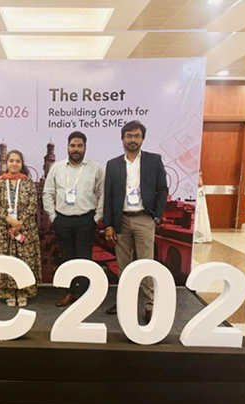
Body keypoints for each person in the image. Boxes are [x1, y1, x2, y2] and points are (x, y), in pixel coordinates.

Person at [103, 120, 168, 318]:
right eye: (129, 136)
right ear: (122, 139)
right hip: (121, 220)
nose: (133, 139)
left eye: (137, 136)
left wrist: (157, 215)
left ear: (142, 139)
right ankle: (124, 302)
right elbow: (108, 195)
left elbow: (162, 189)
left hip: (144, 219)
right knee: (123, 266)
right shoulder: (113, 164)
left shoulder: (154, 160)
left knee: (146, 264)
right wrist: (108, 224)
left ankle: (150, 305)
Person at [43, 131, 104, 307]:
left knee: (85, 259)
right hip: (63, 220)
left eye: (79, 146)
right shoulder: (57, 168)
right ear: (68, 147)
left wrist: (96, 218)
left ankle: (85, 295)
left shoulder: (95, 168)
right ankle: (69, 293)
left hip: (86, 220)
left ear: (85, 147)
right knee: (67, 258)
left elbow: (103, 194)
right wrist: (54, 217)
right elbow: (47, 193)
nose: (75, 149)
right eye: (72, 145)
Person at [0, 150, 42, 307]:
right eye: (11, 160)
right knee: (6, 260)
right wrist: (10, 220)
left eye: (17, 161)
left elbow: (33, 204)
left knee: (24, 260)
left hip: (25, 227)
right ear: (6, 163)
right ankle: (8, 292)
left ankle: (23, 291)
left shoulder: (28, 182)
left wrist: (20, 222)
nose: (14, 164)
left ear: (21, 164)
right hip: (3, 228)